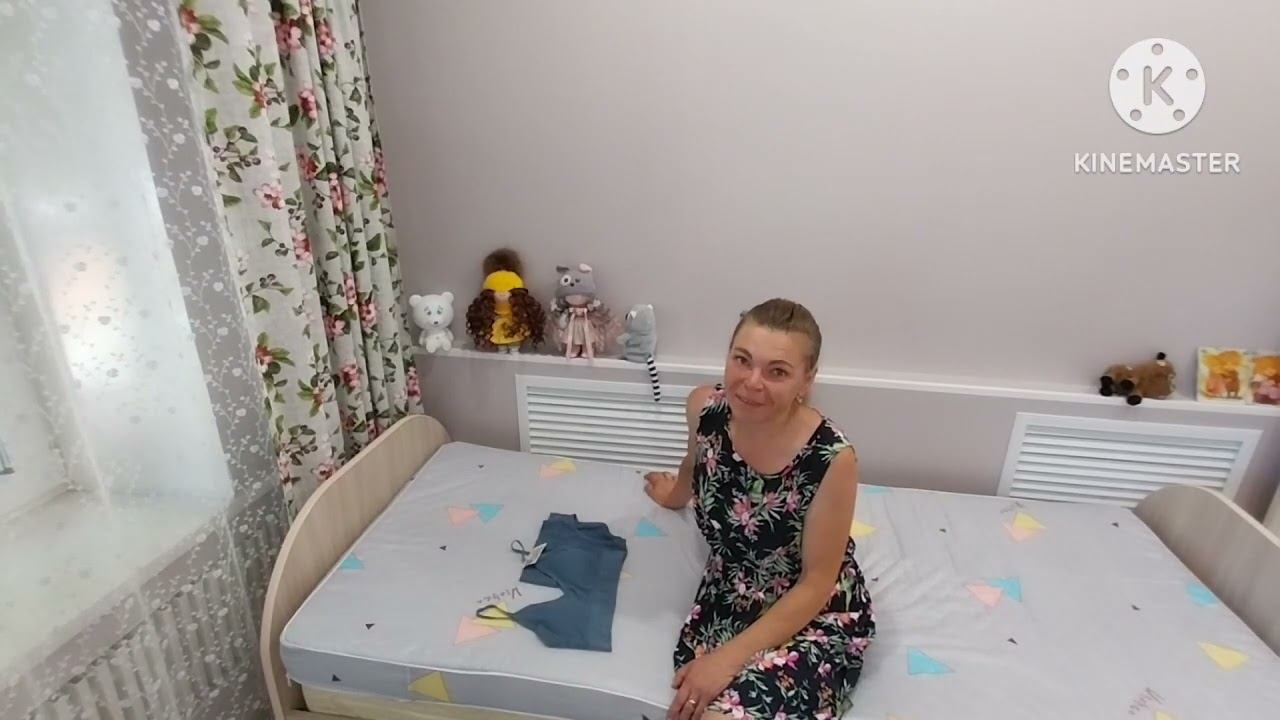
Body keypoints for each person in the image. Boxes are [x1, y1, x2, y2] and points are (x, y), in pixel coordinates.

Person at [644, 299, 875, 720]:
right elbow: (695, 464)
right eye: (742, 360)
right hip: (731, 596)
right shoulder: (704, 410)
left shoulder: (831, 459)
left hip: (810, 610)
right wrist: (672, 495)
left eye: (777, 371)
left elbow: (816, 583)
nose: (752, 382)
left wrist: (725, 661)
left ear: (807, 379)